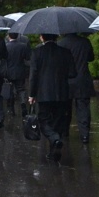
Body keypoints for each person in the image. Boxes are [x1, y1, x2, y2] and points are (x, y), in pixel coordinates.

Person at [29, 33, 76, 161]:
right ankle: (54, 150)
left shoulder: (37, 52)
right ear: (56, 37)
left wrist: (32, 94)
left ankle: (54, 141)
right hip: (62, 92)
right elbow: (72, 73)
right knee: (58, 121)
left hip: (43, 92)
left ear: (42, 37)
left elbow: (33, 75)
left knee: (43, 120)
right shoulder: (65, 52)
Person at [58, 32, 95, 143]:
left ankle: (64, 132)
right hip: (82, 78)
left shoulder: (60, 44)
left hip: (66, 79)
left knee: (65, 107)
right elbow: (91, 58)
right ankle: (84, 135)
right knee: (83, 107)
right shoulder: (85, 42)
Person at [4, 32, 31, 115]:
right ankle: (23, 104)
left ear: (9, 36)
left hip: (9, 71)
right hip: (20, 71)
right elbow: (28, 57)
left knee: (10, 89)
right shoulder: (23, 46)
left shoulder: (6, 46)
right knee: (21, 89)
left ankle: (11, 108)